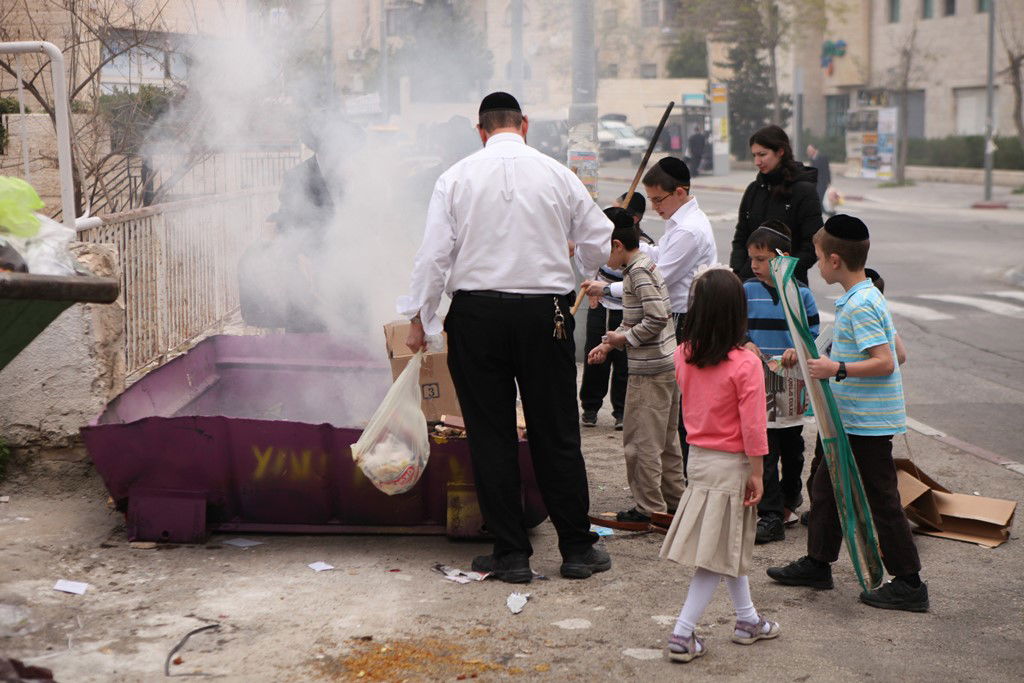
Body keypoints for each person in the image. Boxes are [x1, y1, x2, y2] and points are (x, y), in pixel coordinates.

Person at [398, 92, 613, 583]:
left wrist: (419, 318)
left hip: (476, 316)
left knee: (491, 435)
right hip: (547, 315)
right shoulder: (559, 175)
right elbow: (599, 238)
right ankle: (577, 549)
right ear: (525, 125)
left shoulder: (455, 177)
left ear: (481, 130)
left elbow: (433, 256)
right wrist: (577, 266)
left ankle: (511, 554)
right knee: (555, 432)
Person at [768, 214, 929, 613]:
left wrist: (836, 368)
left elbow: (887, 361)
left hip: (866, 423)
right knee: (825, 490)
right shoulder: (867, 296)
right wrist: (825, 359)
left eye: (819, 257)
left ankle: (910, 583)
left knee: (880, 499)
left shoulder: (860, 305)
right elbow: (900, 352)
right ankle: (818, 564)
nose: (817, 264)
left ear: (835, 260)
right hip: (849, 418)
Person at [660, 267, 779, 663]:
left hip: (699, 462)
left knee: (726, 543)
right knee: (715, 552)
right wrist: (759, 472)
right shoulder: (746, 363)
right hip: (734, 464)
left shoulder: (682, 354)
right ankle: (682, 632)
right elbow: (754, 426)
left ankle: (748, 620)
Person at [582, 157, 717, 475]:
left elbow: (658, 279)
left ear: (680, 192)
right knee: (675, 409)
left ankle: (684, 478)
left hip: (686, 321)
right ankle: (679, 481)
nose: (655, 206)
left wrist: (607, 289)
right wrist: (635, 248)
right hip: (679, 317)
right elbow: (655, 257)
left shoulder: (689, 229)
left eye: (659, 199)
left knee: (678, 410)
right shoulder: (679, 224)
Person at [585, 209, 684, 524]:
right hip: (667, 364)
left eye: (604, 249)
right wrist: (609, 343)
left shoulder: (637, 272)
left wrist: (624, 338)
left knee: (641, 443)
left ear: (616, 244)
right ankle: (674, 503)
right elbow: (637, 318)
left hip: (650, 371)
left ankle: (648, 509)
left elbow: (655, 318)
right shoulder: (644, 265)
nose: (603, 259)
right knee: (666, 442)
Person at [742, 220, 819, 543]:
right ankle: (770, 515)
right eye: (752, 259)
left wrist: (797, 348)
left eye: (762, 259)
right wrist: (744, 342)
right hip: (759, 380)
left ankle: (791, 496)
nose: (755, 266)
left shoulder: (801, 295)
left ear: (782, 257)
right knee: (766, 447)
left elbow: (814, 335)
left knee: (793, 445)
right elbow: (736, 327)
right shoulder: (746, 291)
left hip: (792, 383)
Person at [578, 193, 648, 431]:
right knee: (595, 354)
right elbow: (585, 259)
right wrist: (593, 284)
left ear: (634, 219)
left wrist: (608, 289)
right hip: (601, 304)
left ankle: (621, 410)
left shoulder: (644, 248)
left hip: (626, 307)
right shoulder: (601, 240)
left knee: (624, 361)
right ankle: (590, 406)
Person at [730, 125, 823, 284]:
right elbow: (741, 236)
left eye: (762, 155)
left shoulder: (803, 191)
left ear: (780, 152)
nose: (757, 161)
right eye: (754, 155)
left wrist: (782, 272)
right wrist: (737, 272)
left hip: (788, 284)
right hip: (749, 282)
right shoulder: (754, 190)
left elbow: (812, 244)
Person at [806, 144, 832, 209]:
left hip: (822, 183)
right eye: (808, 151)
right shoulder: (812, 159)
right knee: (819, 201)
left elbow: (827, 170)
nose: (808, 152)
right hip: (815, 183)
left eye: (810, 150)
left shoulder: (822, 157)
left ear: (815, 150)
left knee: (820, 199)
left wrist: (828, 182)